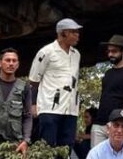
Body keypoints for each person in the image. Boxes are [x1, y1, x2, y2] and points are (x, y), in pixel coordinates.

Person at [29, 18, 83, 148]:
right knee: (47, 147)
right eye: (74, 32)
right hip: (49, 108)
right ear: (63, 33)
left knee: (66, 148)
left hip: (71, 110)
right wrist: (33, 104)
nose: (77, 35)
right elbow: (34, 80)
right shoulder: (46, 52)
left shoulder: (76, 54)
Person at [93, 35, 123, 148]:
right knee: (96, 154)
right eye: (109, 51)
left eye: (114, 51)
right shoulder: (108, 73)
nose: (110, 54)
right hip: (99, 123)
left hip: (117, 125)